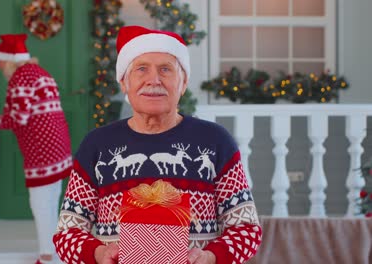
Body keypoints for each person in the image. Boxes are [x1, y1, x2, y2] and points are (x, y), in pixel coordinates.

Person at [53, 25, 262, 264]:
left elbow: (247, 230)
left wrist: (210, 257)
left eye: (166, 69)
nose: (154, 80)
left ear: (183, 84)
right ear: (124, 83)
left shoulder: (216, 142)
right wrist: (99, 254)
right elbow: (67, 234)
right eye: (142, 69)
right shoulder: (98, 145)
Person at [0, 33, 72, 264]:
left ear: (10, 60)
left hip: (42, 151)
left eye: (0, 60)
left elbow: (18, 118)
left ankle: (46, 255)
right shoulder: (40, 73)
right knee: (51, 202)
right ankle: (54, 251)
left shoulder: (20, 78)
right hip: (59, 147)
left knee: (40, 204)